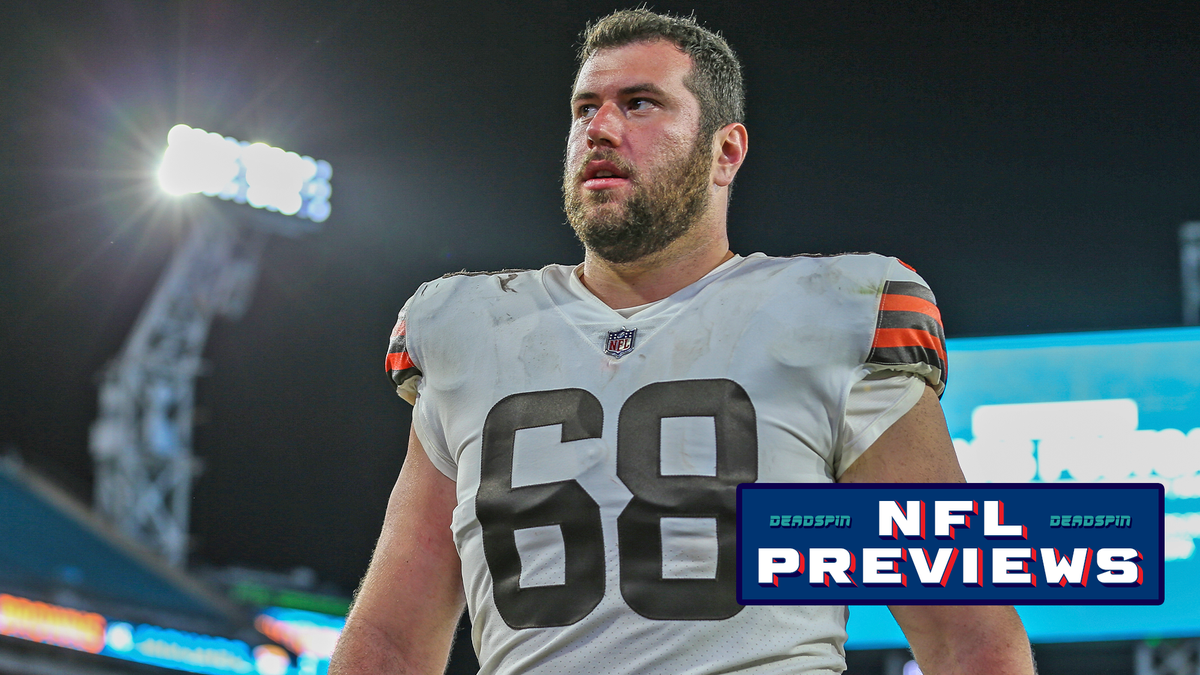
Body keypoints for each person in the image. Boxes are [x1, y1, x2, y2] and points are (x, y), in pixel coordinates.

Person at [331, 9, 1035, 675]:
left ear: (724, 151)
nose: (601, 128)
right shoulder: (470, 329)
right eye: (585, 108)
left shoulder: (834, 314)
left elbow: (967, 632)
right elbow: (392, 639)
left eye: (640, 103)